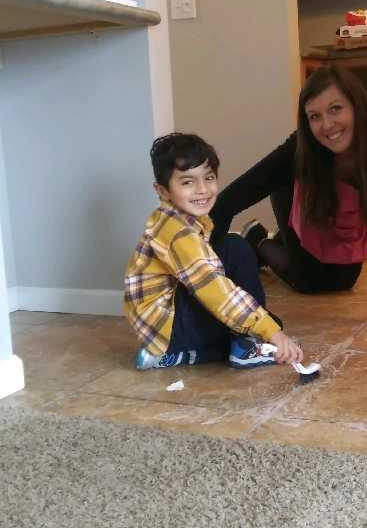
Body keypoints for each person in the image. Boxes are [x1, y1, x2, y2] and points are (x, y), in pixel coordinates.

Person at [211, 64, 367, 334]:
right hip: (302, 194)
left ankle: (270, 240)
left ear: (356, 105)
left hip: (349, 206)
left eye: (336, 109)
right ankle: (258, 240)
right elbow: (237, 194)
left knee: (342, 281)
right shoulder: (301, 146)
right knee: (309, 282)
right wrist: (195, 260)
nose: (327, 126)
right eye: (314, 116)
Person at [124, 133, 303, 370]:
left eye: (208, 178)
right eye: (187, 182)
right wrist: (270, 331)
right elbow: (215, 291)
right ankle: (246, 344)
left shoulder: (178, 218)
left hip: (161, 328)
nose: (202, 190)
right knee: (235, 249)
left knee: (249, 311)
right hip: (169, 326)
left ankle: (174, 355)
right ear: (163, 191)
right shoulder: (178, 233)